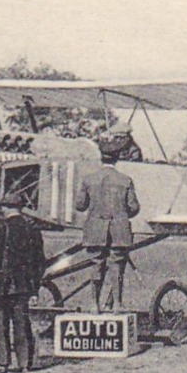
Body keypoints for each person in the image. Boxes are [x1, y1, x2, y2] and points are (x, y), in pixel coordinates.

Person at [0, 192, 46, 373]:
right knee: (22, 322)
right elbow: (40, 261)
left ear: (4, 208)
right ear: (21, 207)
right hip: (24, 283)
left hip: (0, 284)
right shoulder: (33, 228)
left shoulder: (1, 227)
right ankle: (25, 363)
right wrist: (35, 287)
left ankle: (2, 362)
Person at [74, 129, 140, 311]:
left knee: (96, 265)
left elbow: (80, 205)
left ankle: (94, 305)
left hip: (95, 230)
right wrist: (121, 214)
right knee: (117, 267)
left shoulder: (89, 179)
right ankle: (117, 304)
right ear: (116, 159)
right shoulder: (125, 180)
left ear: (101, 158)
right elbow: (134, 207)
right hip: (119, 230)